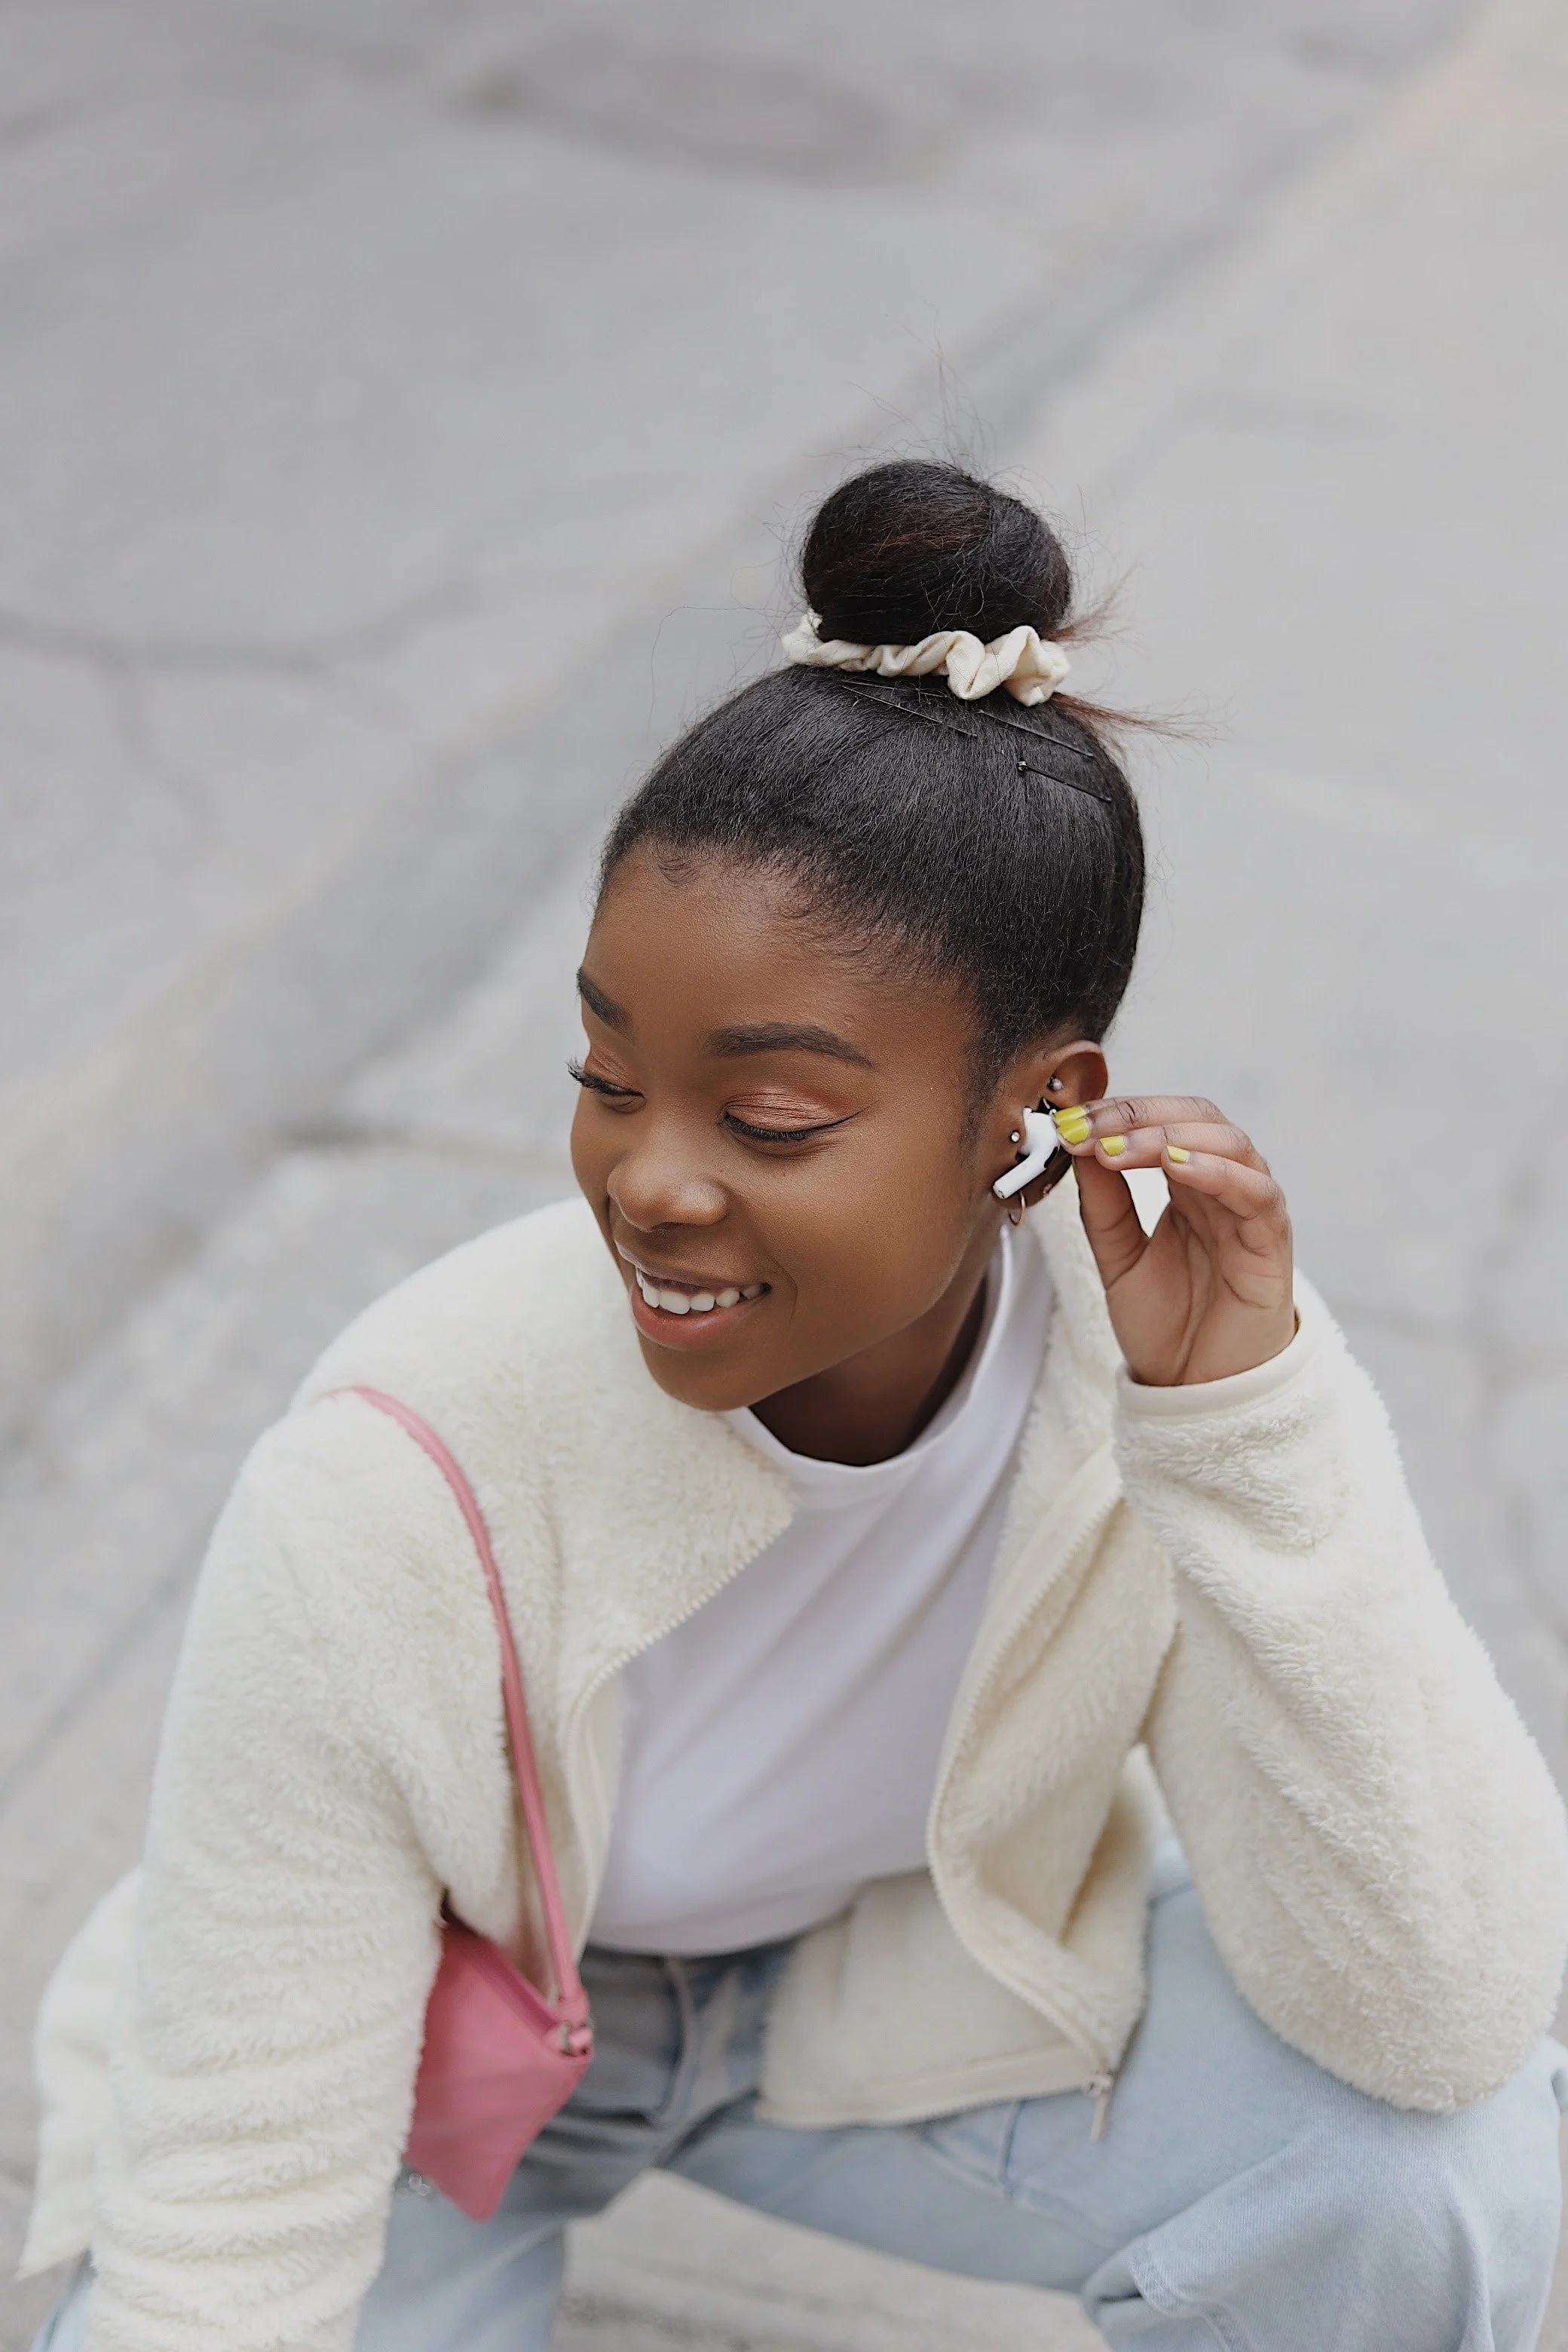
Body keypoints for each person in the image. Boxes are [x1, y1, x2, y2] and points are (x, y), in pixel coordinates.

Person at [23, 461, 1568, 2352]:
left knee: (1427, 2174)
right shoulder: (400, 1472)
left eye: (769, 1119)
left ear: (1034, 1115)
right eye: (607, 1075)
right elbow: (233, 2213)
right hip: (423, 2056)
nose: (650, 1185)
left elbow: (1441, 2013)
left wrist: (1244, 1432)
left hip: (899, 2001)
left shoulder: (1145, 1369)